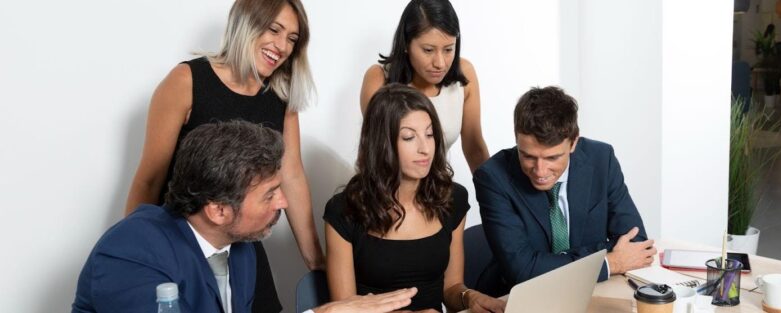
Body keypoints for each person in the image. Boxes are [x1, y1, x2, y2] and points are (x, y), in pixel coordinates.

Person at [73, 121, 417, 313]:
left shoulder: (241, 249)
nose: (283, 202)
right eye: (270, 194)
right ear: (218, 210)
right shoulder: (131, 253)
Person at [124, 1, 323, 311]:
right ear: (246, 23)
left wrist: (318, 265)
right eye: (274, 30)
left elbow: (293, 177)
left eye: (293, 39)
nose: (283, 46)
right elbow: (150, 178)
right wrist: (134, 256)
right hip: (180, 243)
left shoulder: (281, 97)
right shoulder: (186, 81)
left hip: (242, 243)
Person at [324, 84, 505, 312]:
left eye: (429, 135)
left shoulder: (452, 199)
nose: (425, 149)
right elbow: (344, 310)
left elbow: (451, 288)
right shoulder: (344, 211)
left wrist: (468, 298)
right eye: (409, 137)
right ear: (382, 144)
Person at [473, 86, 656, 296]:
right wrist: (608, 263)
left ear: (573, 141)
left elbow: (637, 243)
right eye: (528, 156)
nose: (540, 171)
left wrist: (545, 262)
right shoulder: (493, 177)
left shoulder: (601, 158)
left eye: (552, 158)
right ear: (516, 139)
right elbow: (522, 271)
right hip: (518, 299)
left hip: (591, 292)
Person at [360, 0, 489, 173]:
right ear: (406, 44)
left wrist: (495, 197)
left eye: (448, 49)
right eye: (428, 50)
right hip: (386, 189)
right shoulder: (379, 79)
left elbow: (475, 150)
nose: (440, 63)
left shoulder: (464, 74)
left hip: (437, 191)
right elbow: (375, 154)